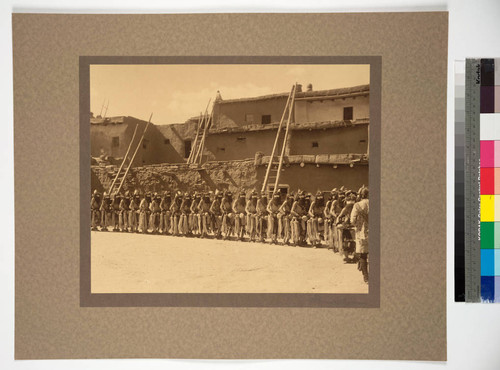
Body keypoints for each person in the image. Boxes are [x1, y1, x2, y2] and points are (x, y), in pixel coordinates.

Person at [351, 187, 369, 283]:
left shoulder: (357, 205)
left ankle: (366, 277)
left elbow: (352, 220)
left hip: (362, 233)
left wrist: (358, 226)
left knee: (363, 255)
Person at [336, 191, 357, 263]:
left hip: (356, 227)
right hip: (347, 226)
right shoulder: (345, 209)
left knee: (355, 242)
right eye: (349, 201)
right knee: (345, 241)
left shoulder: (358, 208)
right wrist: (339, 223)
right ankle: (346, 256)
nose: (351, 203)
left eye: (352, 201)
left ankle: (356, 256)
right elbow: (339, 217)